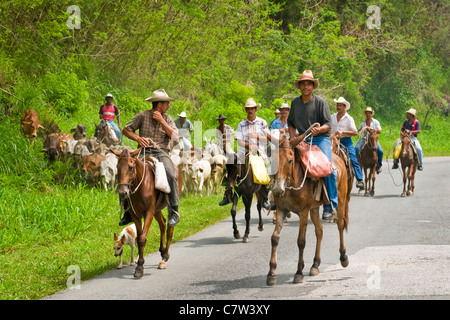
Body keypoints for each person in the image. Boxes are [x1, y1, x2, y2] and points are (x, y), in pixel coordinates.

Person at [121, 89, 180, 227]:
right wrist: (137, 138)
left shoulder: (168, 118)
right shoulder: (142, 115)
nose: (168, 106)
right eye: (167, 103)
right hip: (143, 152)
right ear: (159, 104)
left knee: (171, 174)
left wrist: (161, 121)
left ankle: (174, 211)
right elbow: (126, 129)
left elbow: (175, 136)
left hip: (161, 152)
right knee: (125, 171)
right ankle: (127, 211)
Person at [287, 70, 337, 220]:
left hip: (321, 139)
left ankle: (330, 204)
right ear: (300, 86)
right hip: (303, 139)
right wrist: (292, 138)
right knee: (283, 161)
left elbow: (329, 124)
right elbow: (290, 122)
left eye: (308, 84)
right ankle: (279, 196)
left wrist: (319, 129)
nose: (306, 87)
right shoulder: (295, 103)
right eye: (303, 84)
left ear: (313, 87)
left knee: (329, 169)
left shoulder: (320, 102)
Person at [219, 98, 271, 208]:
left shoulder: (262, 122)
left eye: (252, 108)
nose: (250, 110)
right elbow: (239, 141)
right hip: (244, 151)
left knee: (267, 166)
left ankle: (265, 197)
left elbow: (267, 139)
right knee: (231, 160)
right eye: (248, 109)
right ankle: (228, 192)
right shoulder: (241, 124)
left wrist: (256, 138)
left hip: (259, 151)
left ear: (256, 109)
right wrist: (249, 145)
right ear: (246, 110)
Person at [330, 97, 364, 190]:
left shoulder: (349, 119)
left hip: (346, 141)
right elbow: (328, 128)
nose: (338, 107)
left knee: (353, 159)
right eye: (337, 105)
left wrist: (343, 132)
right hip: (333, 140)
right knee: (324, 155)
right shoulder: (332, 117)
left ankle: (360, 179)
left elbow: (355, 132)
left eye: (340, 105)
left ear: (345, 107)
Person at [355, 107, 384, 174]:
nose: (368, 114)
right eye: (367, 113)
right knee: (356, 148)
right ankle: (356, 164)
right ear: (365, 114)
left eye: (369, 113)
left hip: (373, 138)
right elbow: (358, 132)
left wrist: (371, 129)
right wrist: (362, 129)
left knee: (380, 151)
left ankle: (379, 165)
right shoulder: (363, 123)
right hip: (365, 138)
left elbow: (379, 131)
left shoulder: (375, 122)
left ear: (371, 114)